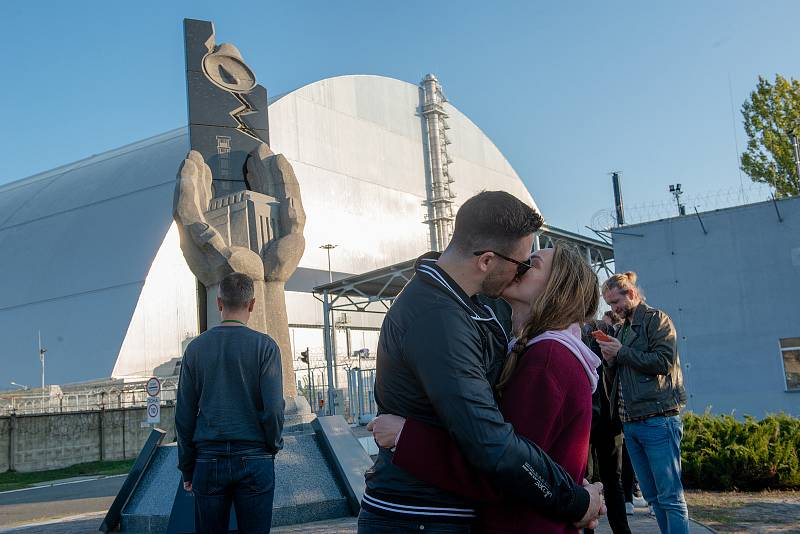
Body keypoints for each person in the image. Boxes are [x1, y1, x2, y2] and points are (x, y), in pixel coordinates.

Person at [358, 191, 605, 533]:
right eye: (521, 263)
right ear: (487, 261)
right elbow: (491, 446)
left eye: (530, 267)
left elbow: (511, 449)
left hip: (445, 510)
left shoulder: (485, 311)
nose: (519, 272)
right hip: (421, 515)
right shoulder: (440, 316)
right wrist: (576, 500)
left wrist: (576, 497)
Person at [175, 272, 285, 534]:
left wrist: (187, 468)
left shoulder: (195, 349)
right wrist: (272, 446)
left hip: (207, 460)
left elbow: (184, 415)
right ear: (252, 304)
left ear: (219, 303)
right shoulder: (266, 347)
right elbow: (273, 409)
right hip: (255, 457)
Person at [597, 272, 689, 534]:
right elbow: (621, 375)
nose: (614, 309)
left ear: (632, 294)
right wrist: (611, 360)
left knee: (670, 498)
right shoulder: (622, 329)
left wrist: (621, 352)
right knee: (654, 498)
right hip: (632, 422)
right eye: (610, 304)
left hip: (658, 418)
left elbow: (663, 362)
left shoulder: (657, 320)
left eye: (616, 302)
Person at [582, 311, 631, 534]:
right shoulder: (607, 332)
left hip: (586, 418)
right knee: (613, 481)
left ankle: (587, 529)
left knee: (583, 479)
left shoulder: (574, 333)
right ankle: (622, 531)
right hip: (609, 419)